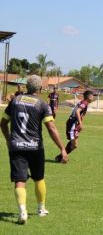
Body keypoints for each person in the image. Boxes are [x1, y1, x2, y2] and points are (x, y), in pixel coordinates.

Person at [0, 75, 68, 225]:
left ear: (26, 87)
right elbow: (51, 127)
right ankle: (41, 208)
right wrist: (62, 148)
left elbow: (3, 123)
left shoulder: (15, 101)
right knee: (39, 178)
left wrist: (8, 139)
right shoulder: (43, 104)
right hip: (35, 147)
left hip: (16, 146)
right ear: (40, 88)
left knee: (19, 180)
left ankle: (22, 211)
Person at [54, 90, 94, 162]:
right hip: (72, 123)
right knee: (74, 144)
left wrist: (79, 124)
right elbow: (77, 111)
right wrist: (80, 123)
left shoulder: (85, 103)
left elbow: (81, 114)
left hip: (74, 124)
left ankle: (61, 156)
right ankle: (61, 157)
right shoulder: (84, 103)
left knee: (74, 145)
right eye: (92, 96)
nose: (93, 97)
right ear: (89, 96)